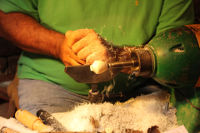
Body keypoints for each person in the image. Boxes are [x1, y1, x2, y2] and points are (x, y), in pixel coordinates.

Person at [0, 0, 199, 132]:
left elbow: (179, 49)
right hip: (52, 83)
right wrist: (59, 45)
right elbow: (7, 17)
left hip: (141, 84)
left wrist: (122, 56)